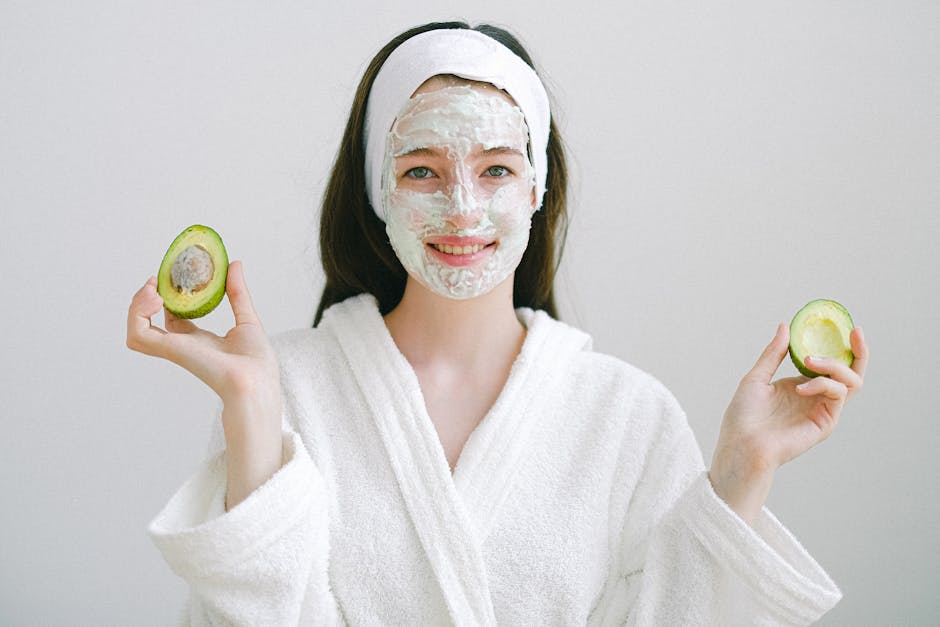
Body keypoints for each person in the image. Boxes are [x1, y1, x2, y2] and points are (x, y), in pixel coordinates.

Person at [126, 21, 869, 626]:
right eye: (422, 170)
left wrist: (741, 469)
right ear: (379, 190)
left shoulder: (628, 416)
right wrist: (254, 412)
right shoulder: (293, 389)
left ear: (538, 186)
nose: (462, 209)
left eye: (496, 170)